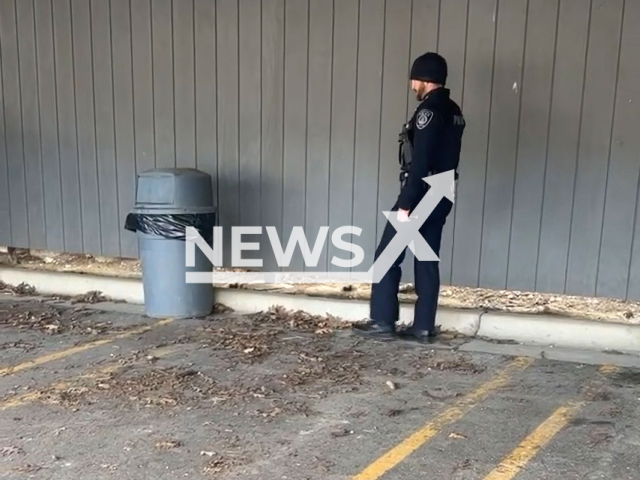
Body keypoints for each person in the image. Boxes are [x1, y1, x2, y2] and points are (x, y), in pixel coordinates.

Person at [356, 52, 465, 343]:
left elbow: (421, 162)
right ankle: (423, 327)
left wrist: (406, 203)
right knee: (426, 258)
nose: (411, 85)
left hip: (423, 191)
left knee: (387, 255)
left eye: (414, 79)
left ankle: (382, 320)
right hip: (443, 189)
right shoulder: (454, 110)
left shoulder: (428, 113)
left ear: (424, 80)